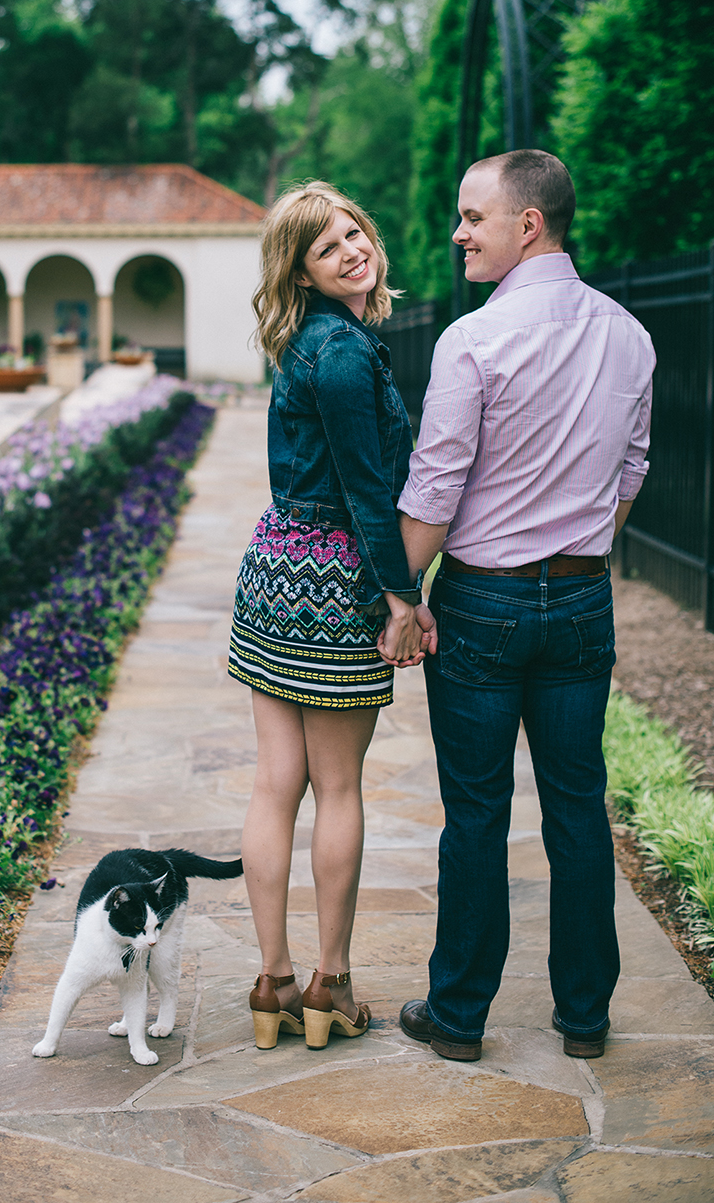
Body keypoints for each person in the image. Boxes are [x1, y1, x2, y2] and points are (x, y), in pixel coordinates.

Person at [384, 149, 654, 1064]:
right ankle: (586, 1016)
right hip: (582, 603)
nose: (457, 232)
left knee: (477, 815)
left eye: (472, 217)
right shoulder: (631, 335)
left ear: (526, 224)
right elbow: (630, 477)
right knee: (579, 810)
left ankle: (458, 1017)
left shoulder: (474, 340)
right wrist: (576, 545)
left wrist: (400, 598)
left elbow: (437, 486)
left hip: (483, 607)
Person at [227, 181, 430, 1051]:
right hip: (333, 579)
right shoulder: (343, 353)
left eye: (353, 230)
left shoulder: (309, 342)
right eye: (325, 247)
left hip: (274, 567)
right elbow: (367, 492)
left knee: (278, 782)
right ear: (302, 273)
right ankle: (330, 983)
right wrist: (404, 600)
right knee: (334, 786)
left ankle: (271, 980)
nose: (350, 249)